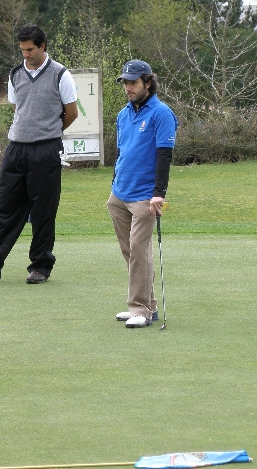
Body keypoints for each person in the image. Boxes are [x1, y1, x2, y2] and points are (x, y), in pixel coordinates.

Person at [0, 25, 78, 284]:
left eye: (30, 50)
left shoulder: (61, 75)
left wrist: (48, 132)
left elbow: (71, 113)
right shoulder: (15, 74)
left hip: (46, 150)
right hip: (16, 149)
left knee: (43, 211)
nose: (26, 55)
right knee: (4, 209)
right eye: (22, 50)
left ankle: (40, 267)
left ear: (43, 46)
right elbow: (18, 109)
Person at [108, 60, 178, 328]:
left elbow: (164, 155)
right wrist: (115, 182)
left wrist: (159, 193)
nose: (128, 87)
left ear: (147, 82)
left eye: (133, 82)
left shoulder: (161, 113)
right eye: (125, 82)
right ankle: (147, 304)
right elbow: (122, 152)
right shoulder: (123, 115)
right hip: (119, 194)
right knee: (130, 251)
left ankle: (139, 308)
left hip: (145, 196)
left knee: (139, 250)